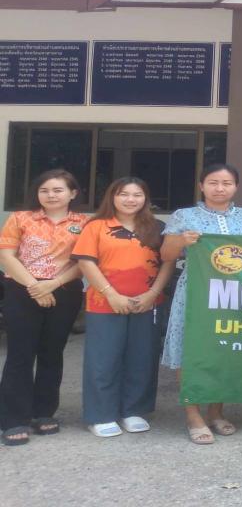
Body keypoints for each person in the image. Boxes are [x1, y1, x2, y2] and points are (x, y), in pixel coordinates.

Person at [160, 164, 242, 445]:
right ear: (201, 186)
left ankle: (216, 411)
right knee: (189, 348)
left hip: (235, 294)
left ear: (236, 187)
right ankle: (192, 414)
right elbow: (166, 254)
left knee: (224, 349)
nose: (220, 188)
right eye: (213, 182)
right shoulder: (184, 215)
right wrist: (181, 241)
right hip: (196, 290)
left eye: (227, 183)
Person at [71, 177, 174, 438]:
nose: (130, 199)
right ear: (112, 197)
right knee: (103, 360)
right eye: (123, 194)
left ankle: (134, 410)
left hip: (147, 302)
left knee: (142, 357)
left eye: (137, 194)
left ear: (145, 199)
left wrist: (152, 293)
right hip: (104, 302)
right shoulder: (96, 226)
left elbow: (168, 262)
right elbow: (86, 263)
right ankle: (101, 415)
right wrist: (111, 295)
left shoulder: (157, 228)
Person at [0, 170, 87, 446]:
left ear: (72, 193)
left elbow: (84, 262)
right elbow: (6, 255)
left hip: (65, 290)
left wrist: (52, 284)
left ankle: (43, 412)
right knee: (20, 354)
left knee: (52, 353)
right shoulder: (20, 218)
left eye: (58, 190)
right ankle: (13, 418)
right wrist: (35, 286)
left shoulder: (84, 224)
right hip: (21, 289)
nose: (51, 195)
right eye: (44, 190)